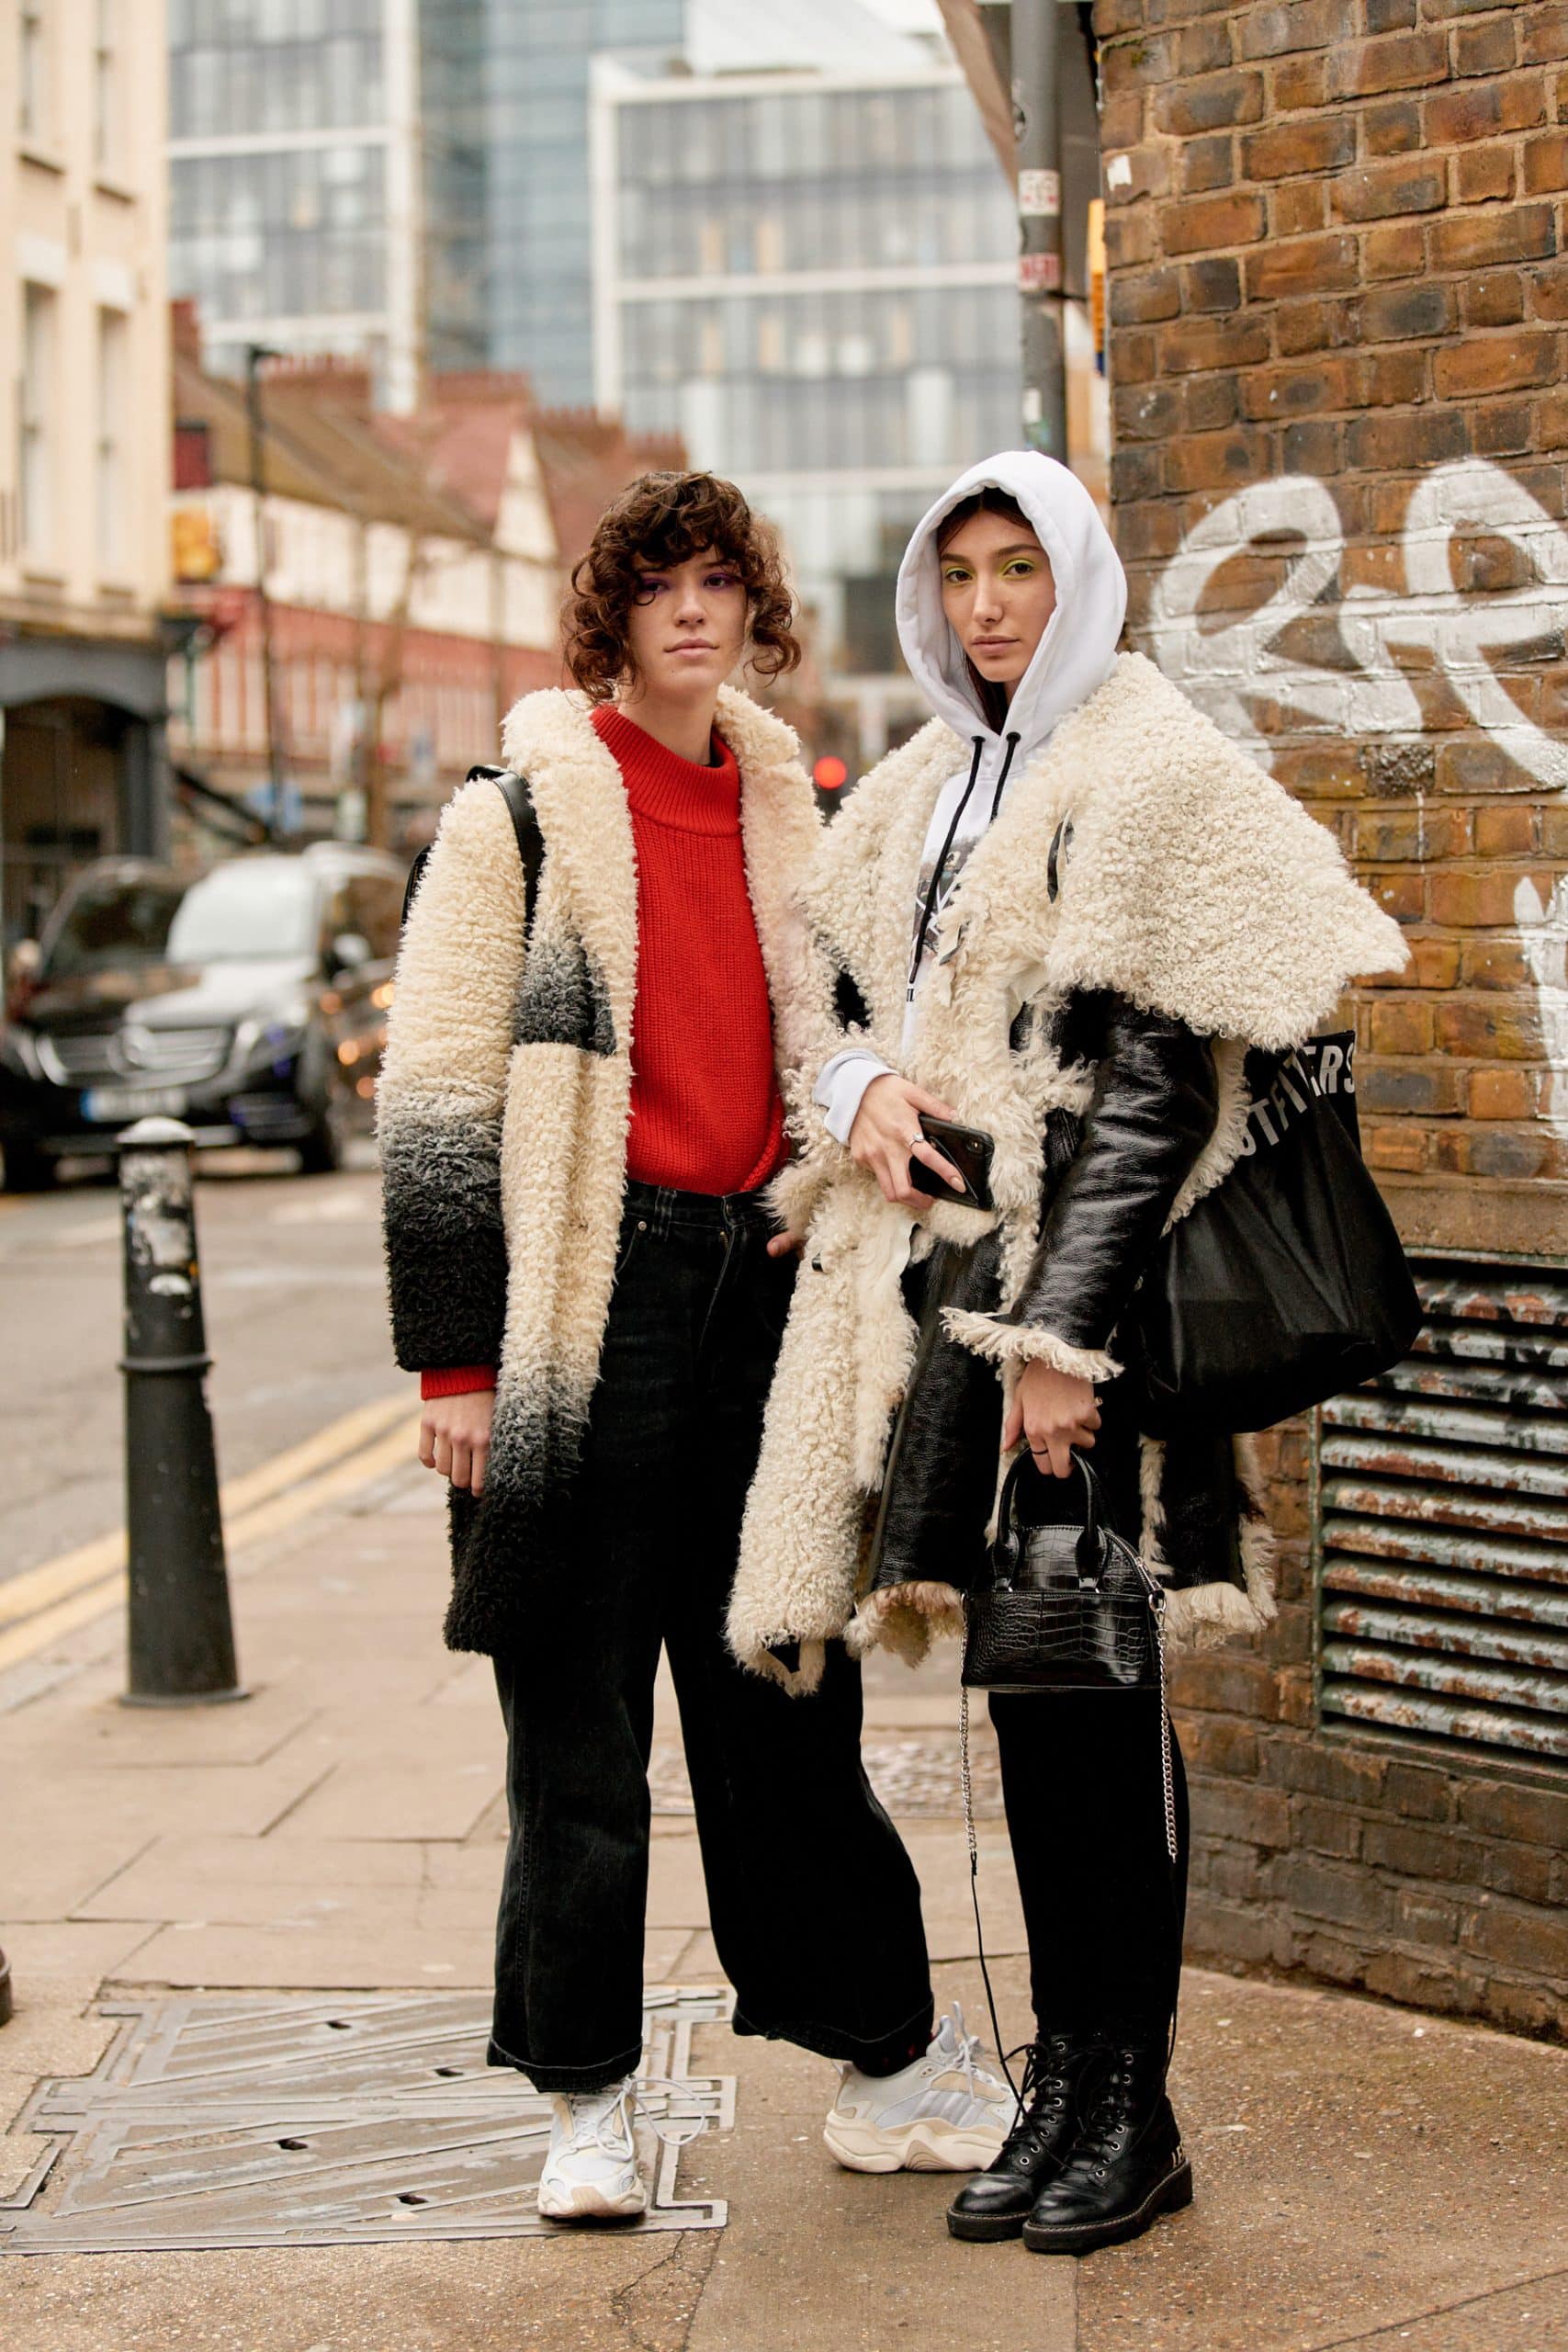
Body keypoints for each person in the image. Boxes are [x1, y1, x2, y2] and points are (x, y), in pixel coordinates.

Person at [727, 451, 1406, 2256]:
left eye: (1016, 566)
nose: (985, 605)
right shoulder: (921, 784)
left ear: (1077, 575)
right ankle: (1068, 2082)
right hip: (943, 1316)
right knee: (1034, 1708)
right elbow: (841, 1004)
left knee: (1097, 1709)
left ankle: (1135, 2107)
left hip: (1073, 1329)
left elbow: (1153, 1094)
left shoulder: (1142, 763)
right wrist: (854, 1089)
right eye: (957, 573)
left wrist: (1060, 1345)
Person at [378, 470, 1010, 2225]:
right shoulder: (514, 819)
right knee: (577, 1728)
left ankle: (886, 2062)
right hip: (585, 1312)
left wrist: (832, 1175)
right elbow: (436, 1105)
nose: (691, 609)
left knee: (784, 1701)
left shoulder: (791, 809)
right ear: (613, 612)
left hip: (757, 1293)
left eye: (719, 581)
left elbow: (837, 1040)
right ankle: (584, 2103)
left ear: (752, 608)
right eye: (658, 582)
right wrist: (454, 1369)